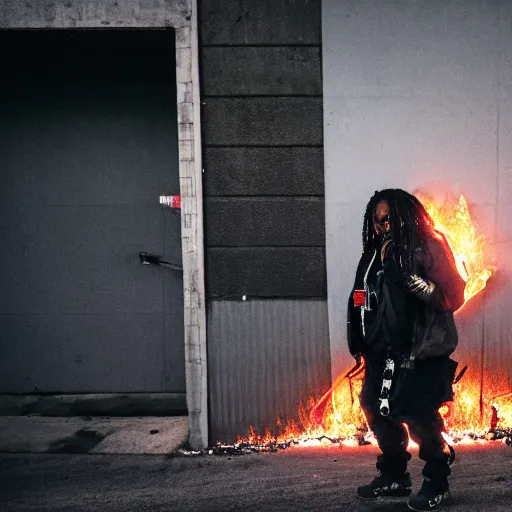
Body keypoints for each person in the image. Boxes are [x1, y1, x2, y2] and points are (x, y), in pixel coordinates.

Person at [347, 189, 466, 511]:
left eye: (389, 219)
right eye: (377, 220)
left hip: (420, 350)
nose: (383, 226)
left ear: (406, 216)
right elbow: (360, 294)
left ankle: (437, 481)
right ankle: (394, 475)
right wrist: (360, 331)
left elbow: (454, 296)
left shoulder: (429, 246)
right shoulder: (374, 252)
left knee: (419, 415)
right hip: (380, 350)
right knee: (374, 405)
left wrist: (423, 287)